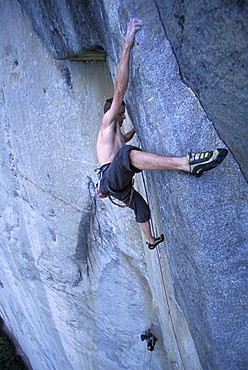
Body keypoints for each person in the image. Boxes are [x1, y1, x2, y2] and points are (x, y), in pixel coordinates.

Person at [96, 18, 228, 249]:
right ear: (113, 112)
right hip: (109, 179)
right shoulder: (107, 124)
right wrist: (127, 45)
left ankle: (150, 239)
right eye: (122, 114)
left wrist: (142, 125)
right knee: (126, 154)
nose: (124, 117)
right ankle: (185, 164)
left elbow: (127, 138)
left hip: (120, 185)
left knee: (141, 208)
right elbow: (119, 89)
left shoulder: (118, 134)